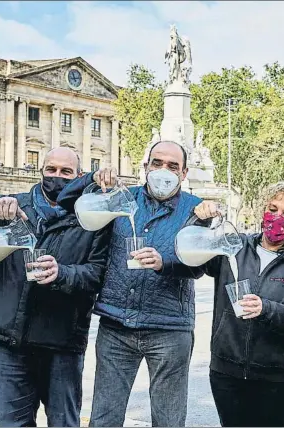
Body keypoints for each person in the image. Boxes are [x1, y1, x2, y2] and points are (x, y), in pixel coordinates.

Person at [0, 147, 110, 427]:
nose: (57, 176)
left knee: (63, 422)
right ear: (41, 171)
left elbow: (97, 274)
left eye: (66, 172)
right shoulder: (15, 205)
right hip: (11, 338)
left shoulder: (91, 217)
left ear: (79, 176)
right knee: (12, 423)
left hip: (62, 340)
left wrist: (62, 273)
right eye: (51, 170)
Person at [59, 140, 204, 427]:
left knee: (168, 420)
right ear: (146, 167)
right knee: (104, 417)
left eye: (173, 166)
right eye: (157, 163)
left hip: (170, 329)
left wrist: (166, 262)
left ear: (184, 173)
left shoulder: (195, 210)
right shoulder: (121, 198)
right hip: (116, 326)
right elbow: (67, 204)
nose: (164, 170)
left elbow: (204, 266)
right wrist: (91, 179)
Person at [192, 182, 284, 427]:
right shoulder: (233, 246)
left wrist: (266, 309)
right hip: (226, 373)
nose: (277, 217)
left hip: (278, 379)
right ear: (263, 209)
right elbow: (193, 258)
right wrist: (199, 221)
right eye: (273, 208)